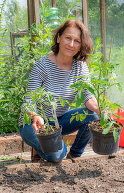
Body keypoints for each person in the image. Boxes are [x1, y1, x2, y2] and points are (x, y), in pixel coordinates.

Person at [19, 19, 99, 162]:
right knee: (56, 155)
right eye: (68, 38)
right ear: (58, 38)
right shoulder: (42, 66)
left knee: (92, 116)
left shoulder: (80, 67)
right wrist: (36, 116)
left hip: (58, 121)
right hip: (33, 123)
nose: (71, 44)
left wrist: (103, 111)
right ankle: (41, 147)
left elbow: (88, 96)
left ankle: (74, 155)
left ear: (81, 45)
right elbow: (28, 103)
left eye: (77, 41)